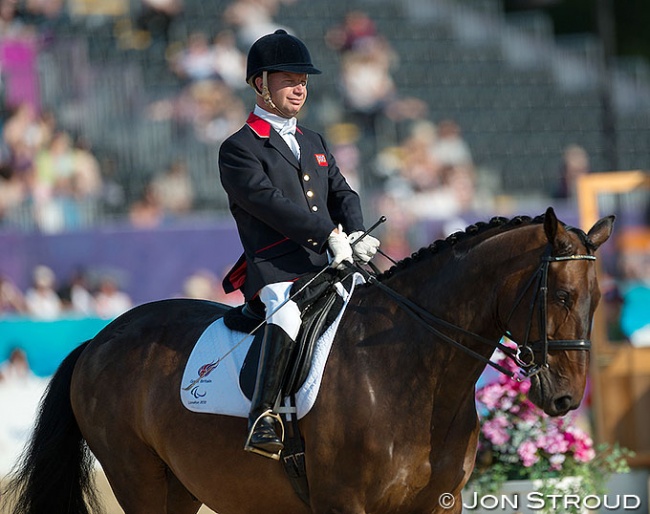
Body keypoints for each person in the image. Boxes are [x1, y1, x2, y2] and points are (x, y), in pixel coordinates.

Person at [218, 29, 379, 458]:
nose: (300, 87)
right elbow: (269, 204)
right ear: (261, 84)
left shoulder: (314, 141)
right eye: (289, 79)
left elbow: (342, 192)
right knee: (287, 314)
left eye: (303, 79)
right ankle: (263, 415)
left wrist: (356, 229)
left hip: (331, 261)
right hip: (277, 268)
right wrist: (327, 234)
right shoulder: (239, 149)